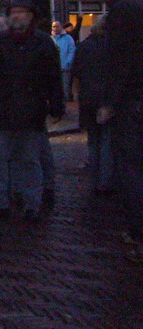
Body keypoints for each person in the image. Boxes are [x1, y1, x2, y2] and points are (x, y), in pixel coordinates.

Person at [0, 0, 64, 221]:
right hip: (2, 110)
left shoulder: (43, 42)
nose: (16, 16)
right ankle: (1, 202)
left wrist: (56, 106)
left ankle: (31, 204)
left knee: (29, 159)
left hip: (30, 110)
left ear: (30, 16)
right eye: (13, 12)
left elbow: (53, 77)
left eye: (21, 12)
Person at [93, 0, 143, 221]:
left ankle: (136, 227)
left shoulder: (121, 12)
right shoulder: (137, 7)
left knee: (130, 164)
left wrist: (110, 102)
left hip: (130, 100)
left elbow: (121, 61)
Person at [70, 16, 114, 195]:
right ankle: (105, 181)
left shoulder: (84, 47)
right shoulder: (114, 47)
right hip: (107, 98)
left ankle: (95, 179)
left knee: (94, 140)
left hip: (88, 97)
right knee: (107, 140)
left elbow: (76, 73)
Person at [51, 20, 76, 101]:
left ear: (61, 27)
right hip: (53, 69)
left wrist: (68, 62)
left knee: (65, 89)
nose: (55, 28)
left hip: (64, 67)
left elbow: (72, 50)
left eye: (57, 26)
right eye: (54, 26)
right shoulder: (50, 39)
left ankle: (64, 107)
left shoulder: (68, 38)